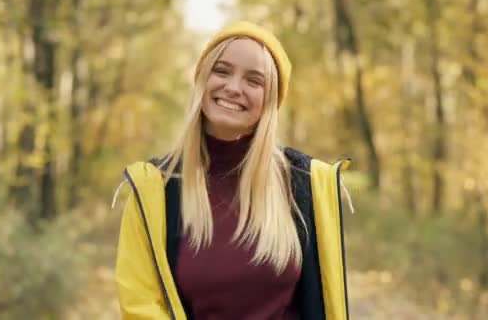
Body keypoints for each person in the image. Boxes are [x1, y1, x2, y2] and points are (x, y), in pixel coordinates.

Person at [114, 21, 353, 320]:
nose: (233, 87)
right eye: (222, 71)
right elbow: (140, 305)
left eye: (254, 80)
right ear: (202, 78)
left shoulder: (304, 183)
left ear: (271, 100)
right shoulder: (154, 189)